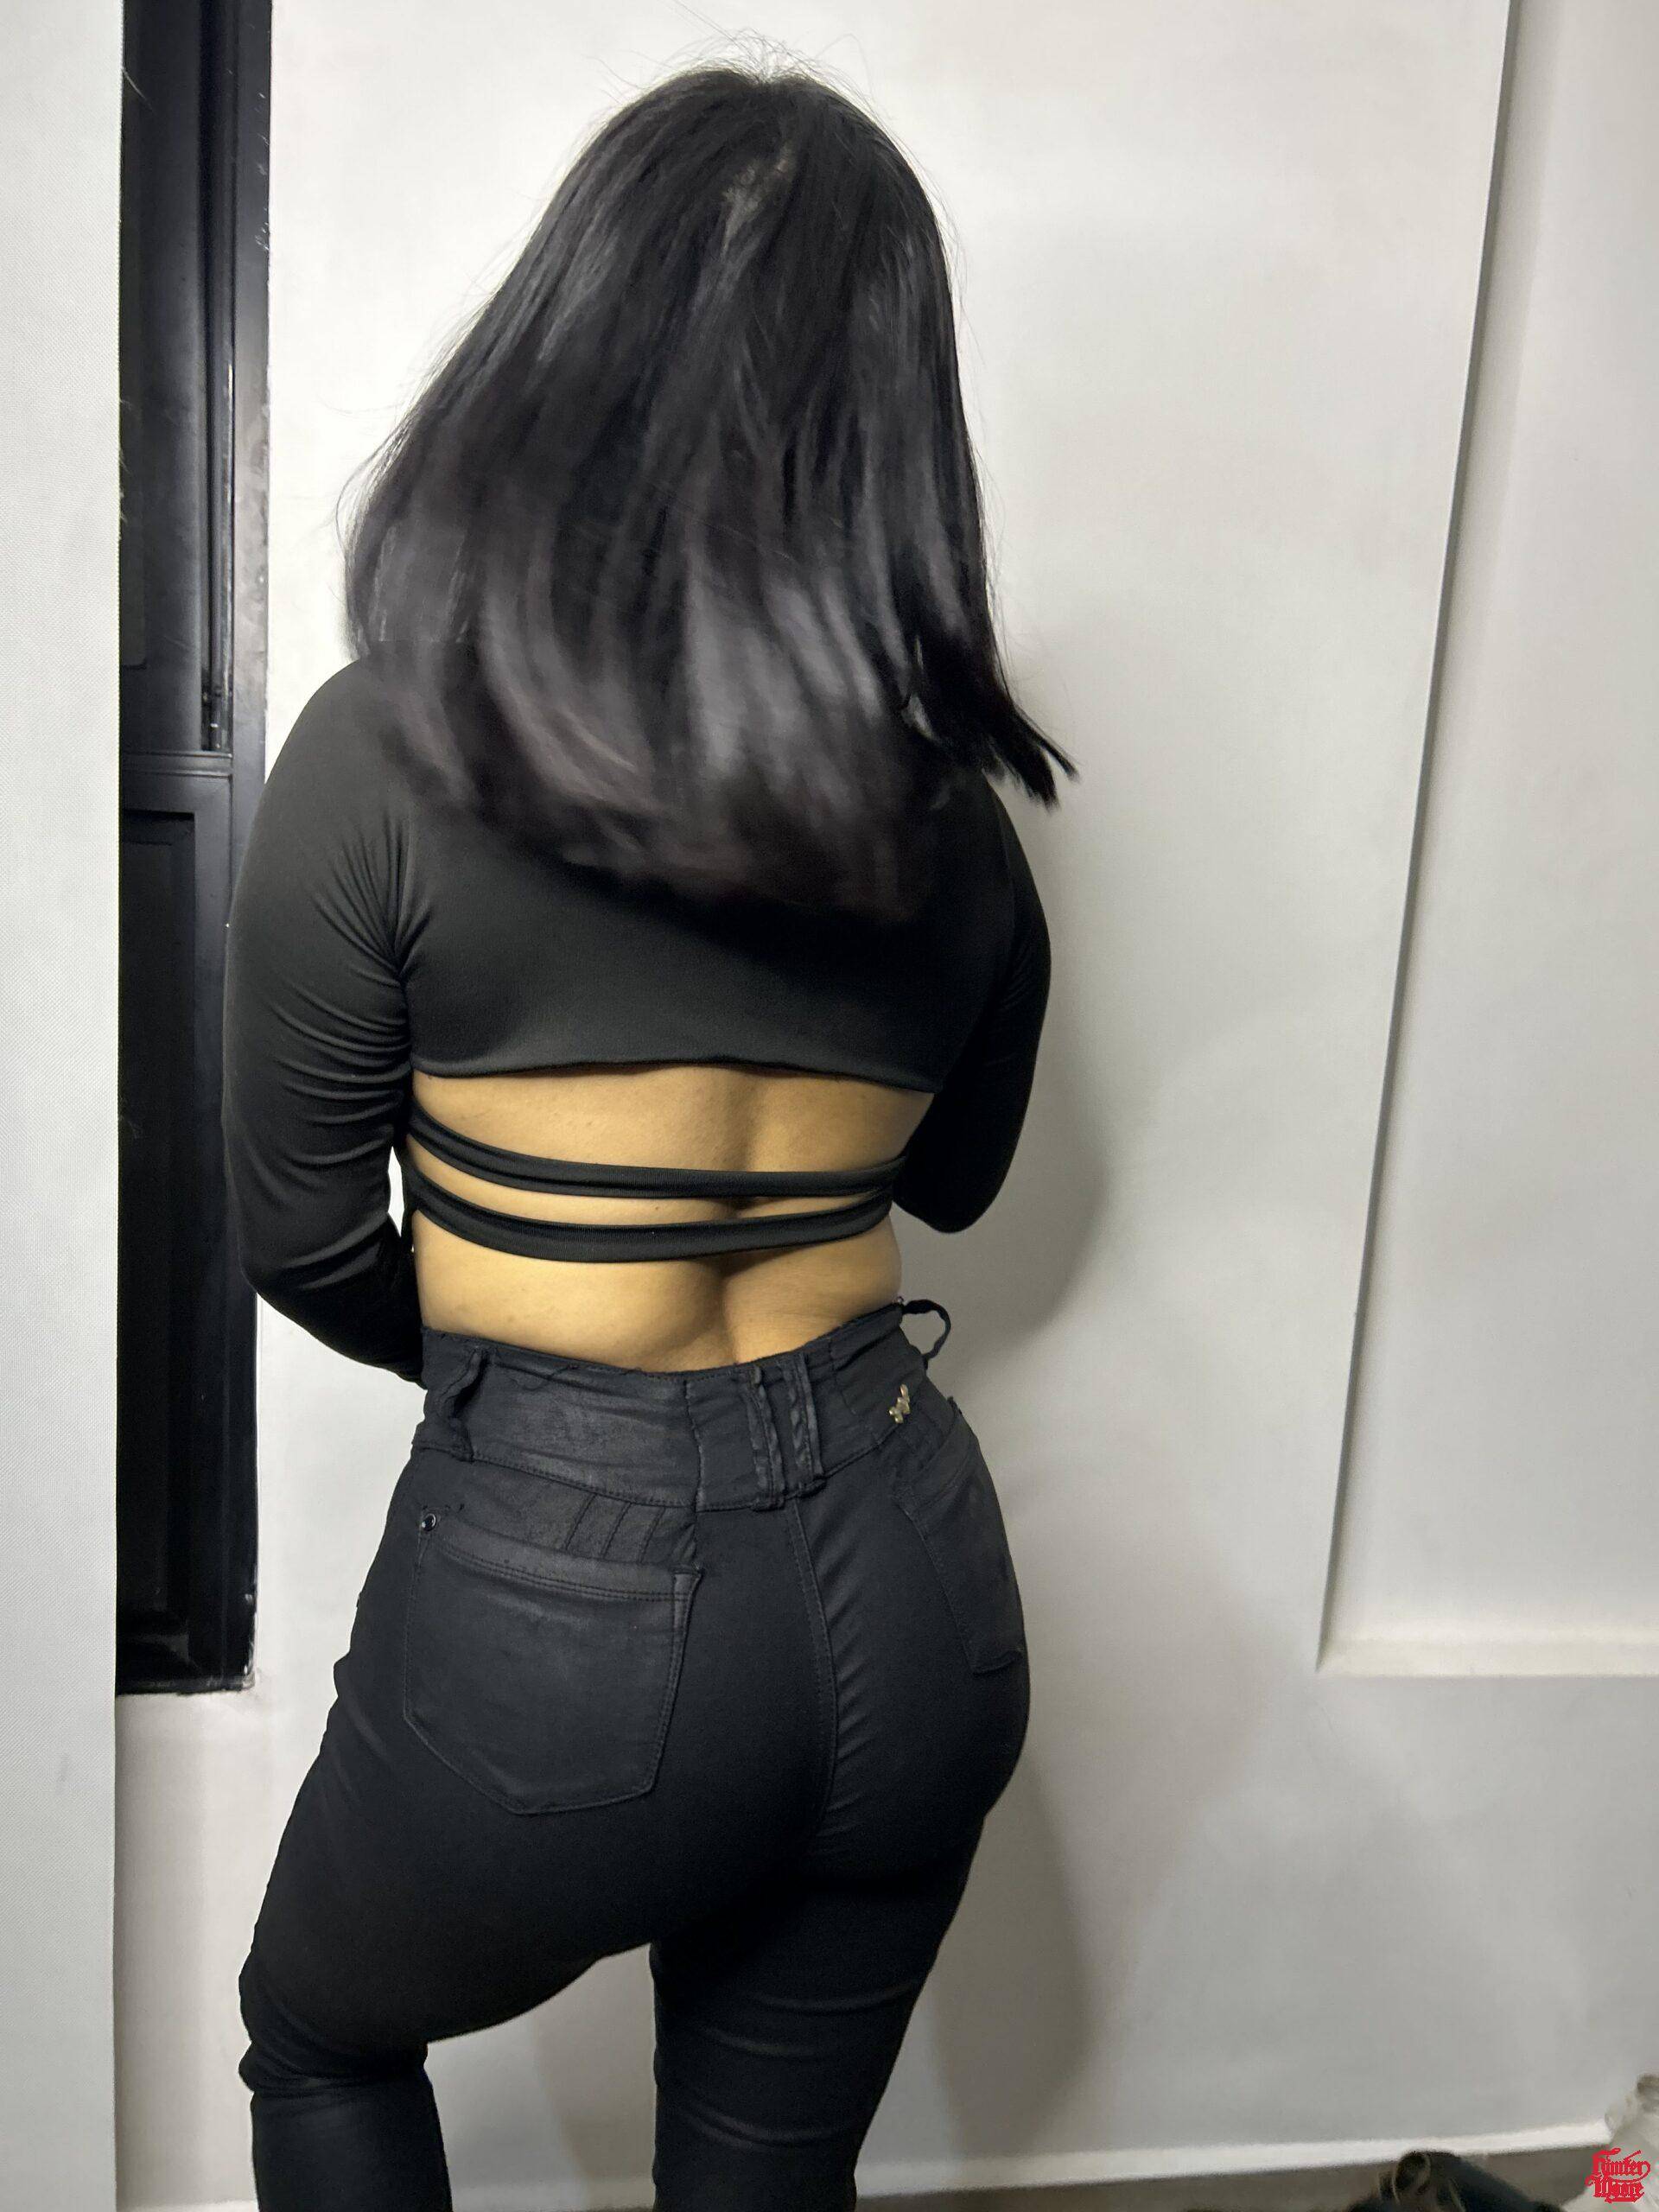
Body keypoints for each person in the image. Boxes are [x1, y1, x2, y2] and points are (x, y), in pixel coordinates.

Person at [222, 57, 1072, 2212]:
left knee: (320, 2031)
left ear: (564, 351)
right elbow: (959, 1179)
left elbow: (298, 1232)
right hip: (911, 1572)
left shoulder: (382, 752)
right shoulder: (961, 829)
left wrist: (526, 1385)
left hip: (564, 1585)